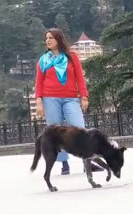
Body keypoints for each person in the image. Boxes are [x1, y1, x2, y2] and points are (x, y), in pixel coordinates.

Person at [35, 28, 103, 174]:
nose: (47, 40)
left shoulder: (72, 57)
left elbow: (80, 77)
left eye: (51, 38)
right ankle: (63, 163)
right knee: (56, 131)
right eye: (46, 38)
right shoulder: (43, 60)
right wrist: (39, 101)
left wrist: (84, 97)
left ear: (59, 39)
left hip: (71, 98)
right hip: (50, 98)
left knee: (80, 129)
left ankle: (88, 162)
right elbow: (39, 82)